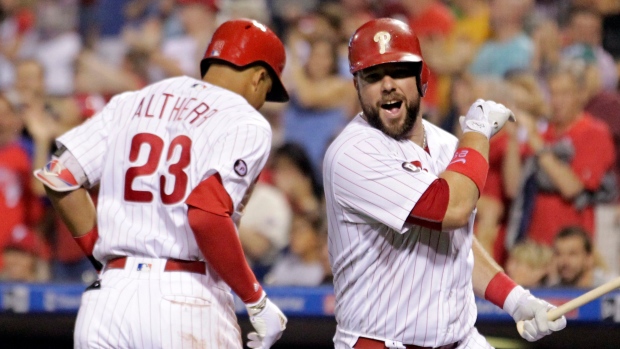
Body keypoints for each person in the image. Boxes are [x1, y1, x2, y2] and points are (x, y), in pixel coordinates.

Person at [34, 18, 288, 349]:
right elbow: (206, 213)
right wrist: (255, 298)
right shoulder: (245, 119)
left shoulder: (133, 100)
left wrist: (104, 257)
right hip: (185, 298)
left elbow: (59, 177)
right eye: (267, 91)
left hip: (108, 300)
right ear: (259, 78)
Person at [323, 18, 566, 348]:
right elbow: (452, 209)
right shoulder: (353, 152)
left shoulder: (447, 144)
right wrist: (478, 135)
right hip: (382, 341)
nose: (387, 85)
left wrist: (517, 300)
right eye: (373, 76)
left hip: (459, 339)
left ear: (422, 78)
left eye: (398, 71)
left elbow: (458, 244)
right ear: (358, 87)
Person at [551, 225, 615, 288]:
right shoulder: (553, 291)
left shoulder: (611, 288)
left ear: (589, 258)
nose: (564, 262)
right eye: (559, 254)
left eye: (572, 254)